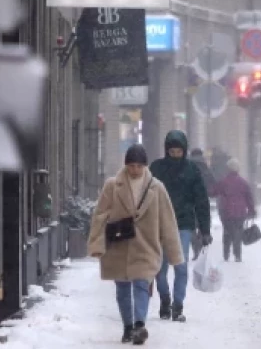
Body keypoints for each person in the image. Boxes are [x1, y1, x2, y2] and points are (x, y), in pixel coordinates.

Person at [88, 145, 183, 345]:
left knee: (142, 284)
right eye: (131, 165)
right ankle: (128, 326)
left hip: (146, 245)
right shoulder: (112, 186)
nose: (135, 170)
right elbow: (100, 215)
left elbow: (168, 221)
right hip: (118, 246)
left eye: (139, 166)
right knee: (122, 288)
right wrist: (97, 243)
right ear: (126, 165)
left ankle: (140, 324)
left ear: (145, 166)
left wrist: (174, 254)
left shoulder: (156, 188)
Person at [148, 130, 212, 322]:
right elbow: (146, 196)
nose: (175, 154)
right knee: (160, 267)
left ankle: (178, 305)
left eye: (179, 151)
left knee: (181, 265)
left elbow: (201, 200)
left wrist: (205, 229)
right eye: (172, 151)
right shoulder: (157, 168)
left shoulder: (192, 170)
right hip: (159, 223)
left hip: (184, 224)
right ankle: (165, 299)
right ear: (167, 150)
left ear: (184, 150)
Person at [212, 158, 257, 262]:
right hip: (240, 212)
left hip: (226, 212)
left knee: (227, 232)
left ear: (228, 169)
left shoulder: (223, 182)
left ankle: (226, 254)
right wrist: (251, 210)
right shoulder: (243, 182)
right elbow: (249, 197)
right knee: (238, 233)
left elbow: (214, 192)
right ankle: (237, 255)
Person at [188, 148, 216, 258]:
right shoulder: (205, 167)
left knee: (191, 226)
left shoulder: (187, 166)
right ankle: (200, 244)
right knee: (202, 223)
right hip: (202, 199)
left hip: (189, 200)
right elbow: (212, 181)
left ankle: (195, 248)